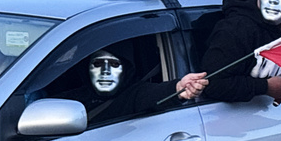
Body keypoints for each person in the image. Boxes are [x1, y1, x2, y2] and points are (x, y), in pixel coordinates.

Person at [61, 44, 207, 123]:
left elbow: (152, 95)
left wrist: (178, 88)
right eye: (98, 63)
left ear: (126, 69)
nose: (105, 71)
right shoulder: (70, 97)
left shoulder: (134, 95)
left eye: (114, 64)